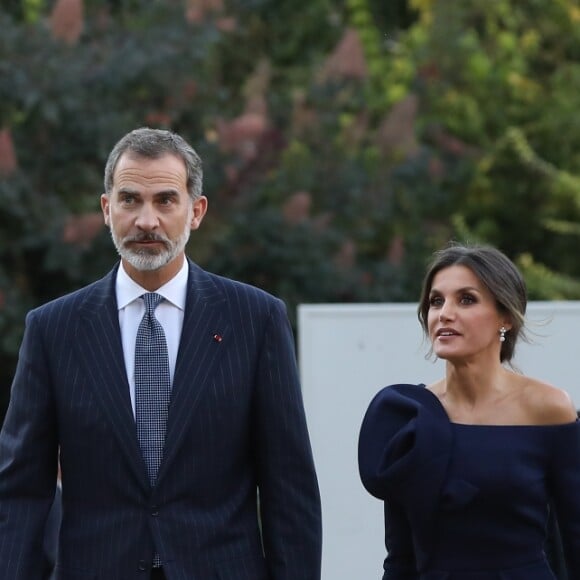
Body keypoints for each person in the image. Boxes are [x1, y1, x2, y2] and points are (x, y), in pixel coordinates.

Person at [0, 127, 322, 579]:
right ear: (107, 209)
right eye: (130, 200)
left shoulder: (256, 320)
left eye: (165, 200)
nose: (147, 220)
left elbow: (289, 488)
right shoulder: (54, 329)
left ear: (196, 211)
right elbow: (20, 490)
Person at [358, 242, 580, 579]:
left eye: (466, 299)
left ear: (505, 317)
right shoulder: (409, 415)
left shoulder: (549, 408)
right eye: (436, 301)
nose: (445, 313)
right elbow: (400, 557)